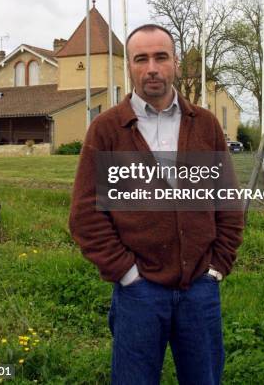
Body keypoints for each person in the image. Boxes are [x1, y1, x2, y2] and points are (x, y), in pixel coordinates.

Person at [68, 24, 244, 385]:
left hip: (199, 291)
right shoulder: (107, 129)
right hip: (139, 294)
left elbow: (227, 200)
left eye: (161, 57)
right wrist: (128, 274)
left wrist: (216, 268)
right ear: (128, 67)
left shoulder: (206, 125)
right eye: (141, 58)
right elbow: (86, 215)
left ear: (176, 63)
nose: (152, 67)